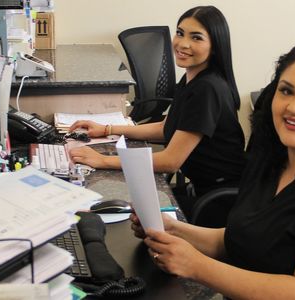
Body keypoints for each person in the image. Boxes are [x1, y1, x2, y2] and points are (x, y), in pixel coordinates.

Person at [130, 41, 295, 299]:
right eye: (286, 91)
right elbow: (241, 240)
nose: (294, 107)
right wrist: (171, 231)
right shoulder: (274, 161)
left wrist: (196, 266)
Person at [69, 6, 245, 218]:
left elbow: (171, 161)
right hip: (202, 190)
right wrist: (107, 129)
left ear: (215, 46)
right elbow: (166, 128)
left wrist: (102, 160)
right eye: (180, 33)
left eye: (196, 38)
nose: (183, 43)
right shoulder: (193, 78)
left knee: (128, 220)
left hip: (217, 203)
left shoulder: (208, 89)